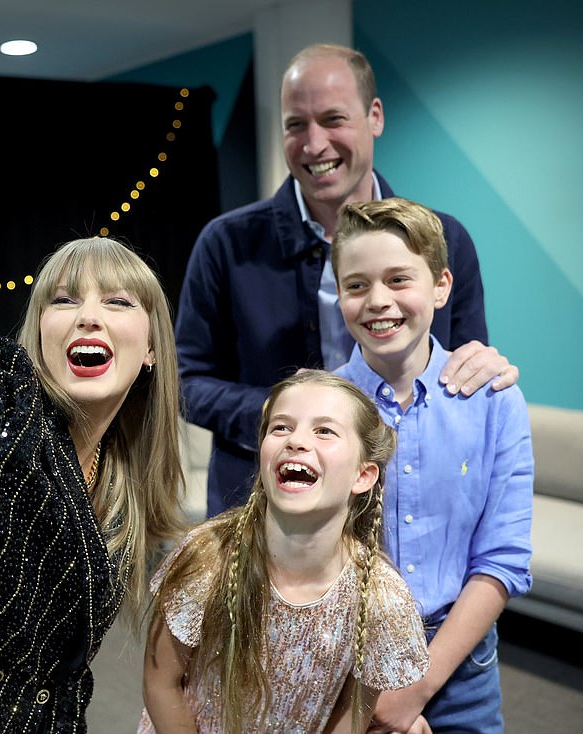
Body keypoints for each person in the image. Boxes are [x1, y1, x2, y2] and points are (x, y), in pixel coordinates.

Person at [174, 42, 520, 517]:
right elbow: (185, 381)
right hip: (261, 508)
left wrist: (486, 366)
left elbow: (463, 368)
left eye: (333, 119)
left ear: (374, 116)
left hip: (410, 509)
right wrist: (285, 415)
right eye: (296, 125)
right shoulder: (225, 243)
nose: (314, 145)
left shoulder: (447, 240)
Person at [0, 237, 187, 732]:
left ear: (151, 350)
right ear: (37, 334)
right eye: (64, 299)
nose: (89, 316)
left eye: (118, 301)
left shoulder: (118, 477)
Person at [331, 198, 534, 734]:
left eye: (400, 279)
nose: (378, 301)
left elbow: (503, 559)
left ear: (441, 286)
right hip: (343, 664)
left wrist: (416, 687)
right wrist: (373, 693)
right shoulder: (317, 404)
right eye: (356, 285)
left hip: (462, 665)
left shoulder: (495, 401)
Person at [138, 369, 430, 734]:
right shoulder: (207, 557)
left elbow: (352, 716)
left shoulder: (380, 599)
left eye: (324, 431)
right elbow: (161, 681)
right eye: (280, 428)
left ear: (363, 475)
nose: (296, 441)